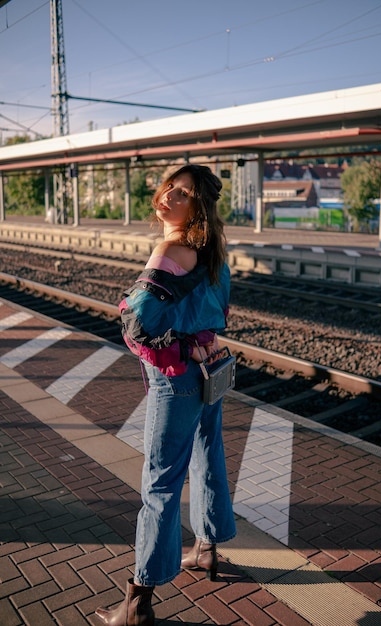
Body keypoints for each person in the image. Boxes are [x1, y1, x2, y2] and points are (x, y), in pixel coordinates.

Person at [95, 164, 236, 626]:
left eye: (184, 193)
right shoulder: (215, 252)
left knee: (159, 484)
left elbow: (136, 325)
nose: (169, 197)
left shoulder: (170, 250)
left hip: (177, 380)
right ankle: (207, 548)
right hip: (210, 370)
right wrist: (198, 340)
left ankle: (138, 601)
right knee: (207, 453)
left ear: (198, 206)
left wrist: (172, 347)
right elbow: (220, 311)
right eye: (170, 187)